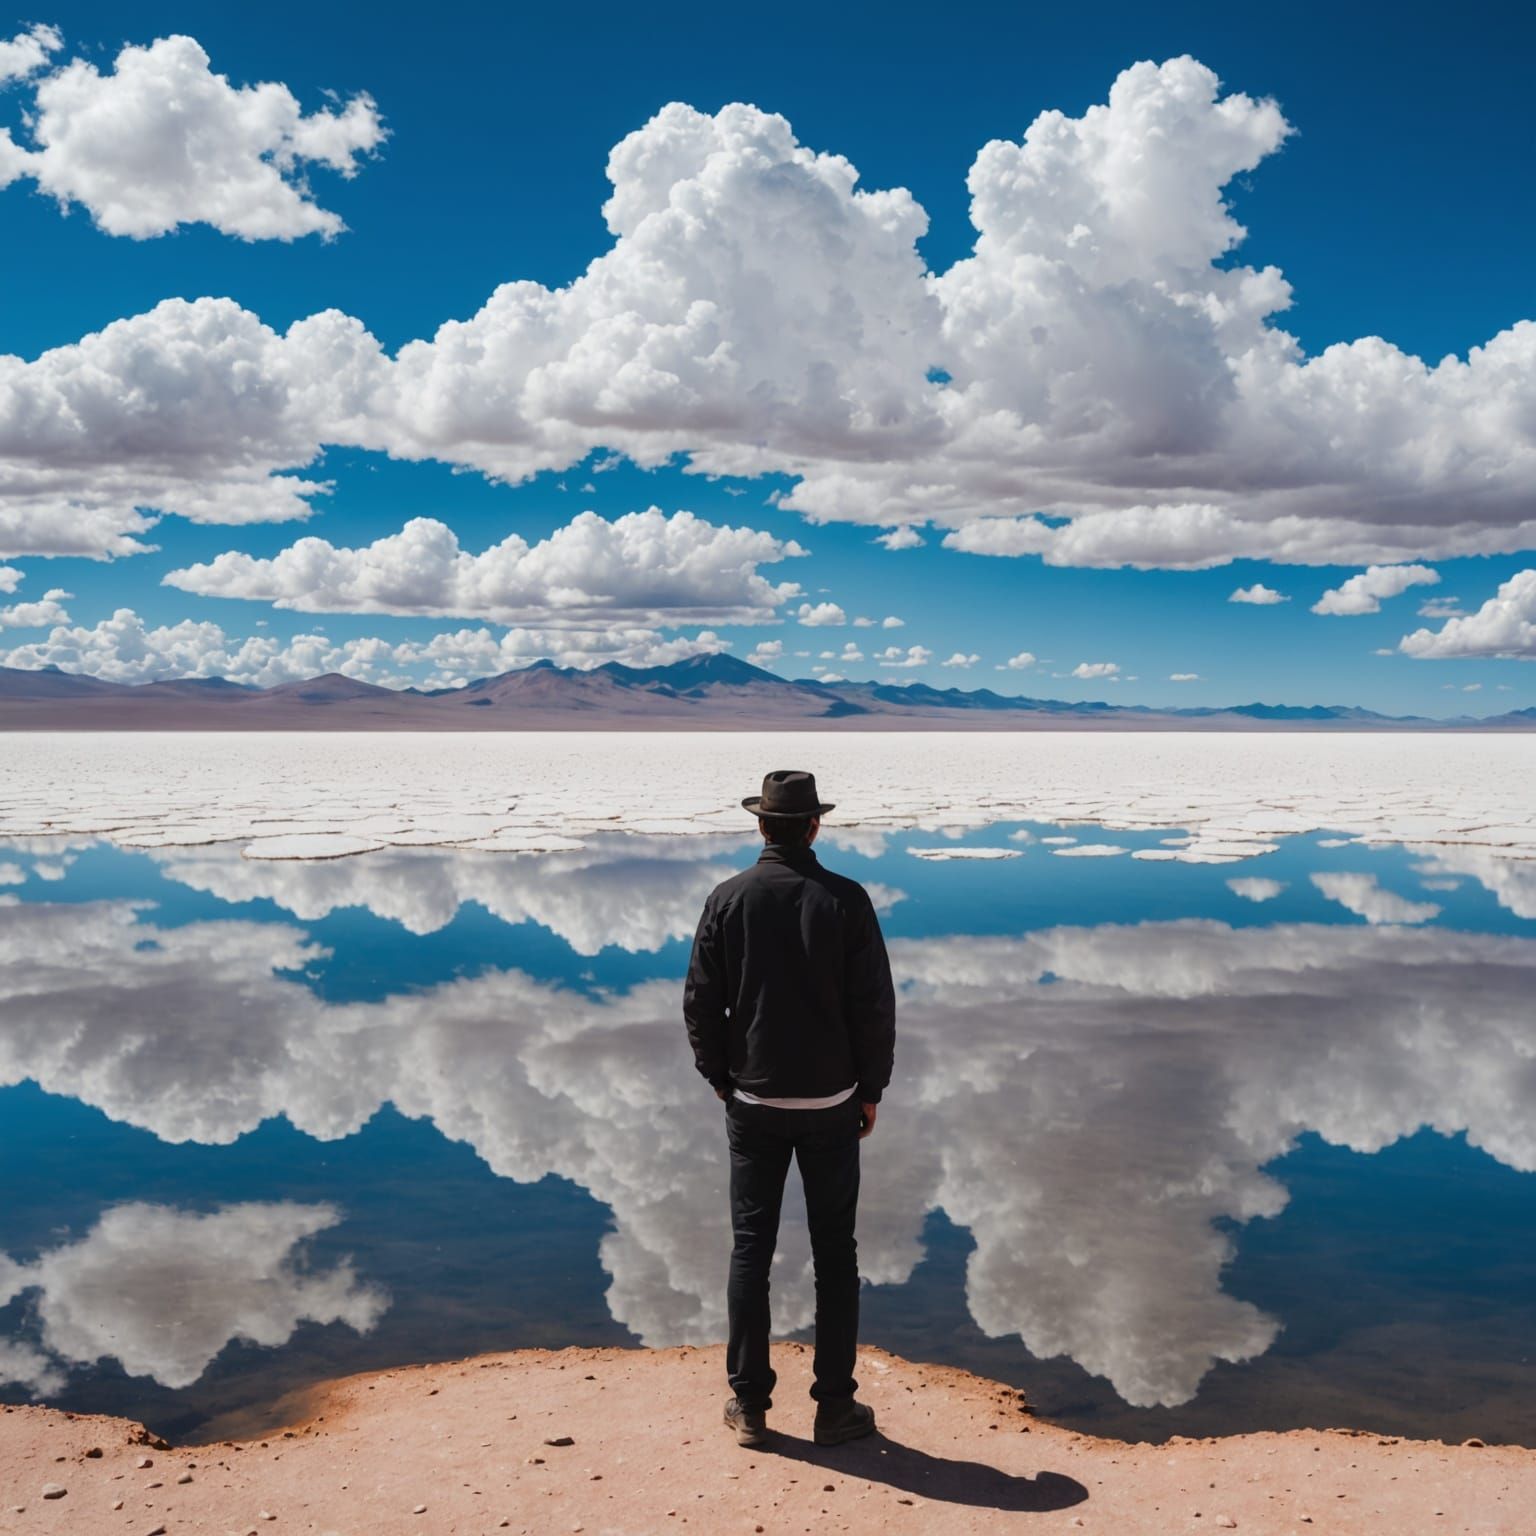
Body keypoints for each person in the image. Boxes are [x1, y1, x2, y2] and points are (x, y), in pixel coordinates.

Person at [683, 768, 896, 1449]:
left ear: (761, 824)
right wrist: (871, 1089)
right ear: (813, 826)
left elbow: (700, 1001)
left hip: (754, 1100)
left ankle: (749, 1405)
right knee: (836, 1253)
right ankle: (834, 1407)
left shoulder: (728, 898)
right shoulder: (846, 899)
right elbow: (874, 1005)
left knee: (752, 1248)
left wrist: (720, 1077)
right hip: (833, 1103)